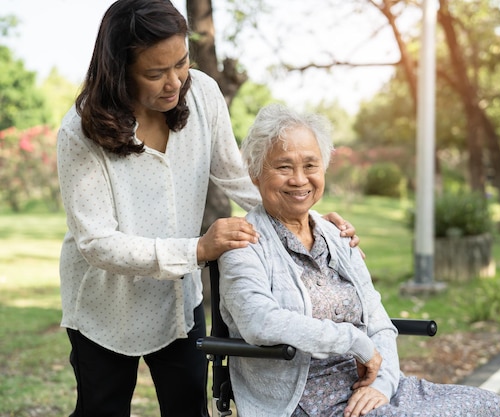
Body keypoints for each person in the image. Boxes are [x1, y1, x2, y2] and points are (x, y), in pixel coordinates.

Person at [56, 1, 357, 416]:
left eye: (180, 63)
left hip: (179, 302)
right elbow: (96, 243)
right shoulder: (80, 131)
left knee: (189, 409)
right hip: (106, 308)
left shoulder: (202, 95)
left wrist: (316, 222)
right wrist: (198, 250)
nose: (174, 83)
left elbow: (238, 179)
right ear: (118, 70)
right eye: (154, 73)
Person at [218, 103, 500, 417]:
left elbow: (379, 321)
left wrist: (382, 385)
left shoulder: (336, 234)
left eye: (310, 165)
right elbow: (259, 322)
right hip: (306, 401)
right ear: (254, 173)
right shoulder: (243, 241)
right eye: (283, 167)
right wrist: (354, 341)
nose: (299, 179)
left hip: (371, 389)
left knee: (491, 406)